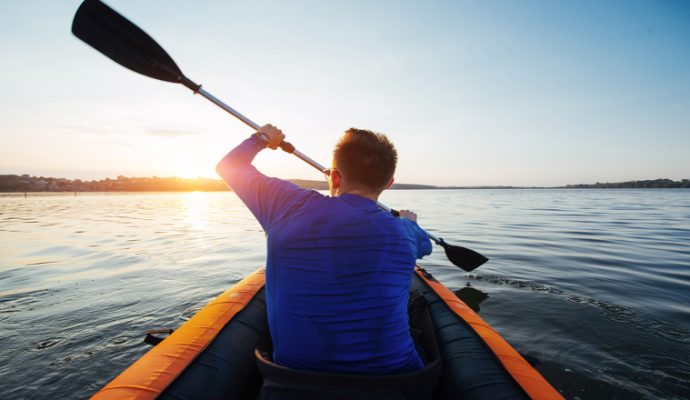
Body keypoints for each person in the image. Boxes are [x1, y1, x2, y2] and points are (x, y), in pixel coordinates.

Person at [216, 124, 432, 375]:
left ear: (335, 177)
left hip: (295, 377)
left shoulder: (288, 205)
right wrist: (410, 221)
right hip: (399, 380)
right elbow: (424, 247)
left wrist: (262, 138)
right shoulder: (406, 231)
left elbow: (229, 166)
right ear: (389, 183)